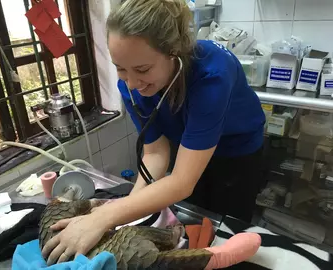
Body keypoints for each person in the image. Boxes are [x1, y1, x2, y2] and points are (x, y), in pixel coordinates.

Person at [41, 0, 266, 265]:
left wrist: (103, 217)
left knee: (228, 233)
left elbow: (182, 182)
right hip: (188, 150)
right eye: (120, 68)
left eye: (142, 70)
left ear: (175, 52)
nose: (132, 84)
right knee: (192, 222)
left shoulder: (213, 75)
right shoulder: (132, 84)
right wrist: (124, 215)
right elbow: (156, 153)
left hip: (236, 155)